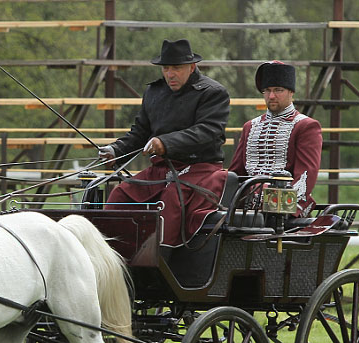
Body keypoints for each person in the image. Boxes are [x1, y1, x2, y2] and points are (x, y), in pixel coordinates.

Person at [99, 38, 231, 247]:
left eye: (176, 68)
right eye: (166, 68)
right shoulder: (154, 92)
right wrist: (116, 150)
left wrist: (165, 143)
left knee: (170, 201)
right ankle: (114, 254)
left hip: (200, 170)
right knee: (120, 194)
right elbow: (140, 132)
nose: (170, 74)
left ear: (192, 67)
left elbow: (207, 131)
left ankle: (162, 262)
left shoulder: (212, 93)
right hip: (160, 170)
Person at [228, 61, 323, 217]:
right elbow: (236, 173)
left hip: (284, 209)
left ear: (291, 92)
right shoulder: (249, 127)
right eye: (267, 90)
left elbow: (305, 178)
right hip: (246, 207)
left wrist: (280, 209)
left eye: (278, 90)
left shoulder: (306, 126)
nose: (271, 96)